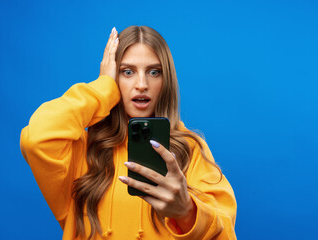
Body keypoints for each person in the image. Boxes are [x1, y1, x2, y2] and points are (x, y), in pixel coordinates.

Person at [20, 26, 237, 240]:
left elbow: (225, 232)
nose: (142, 84)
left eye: (154, 72)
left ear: (166, 80)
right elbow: (38, 137)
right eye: (127, 72)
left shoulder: (189, 150)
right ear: (114, 76)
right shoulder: (81, 153)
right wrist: (103, 88)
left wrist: (188, 213)